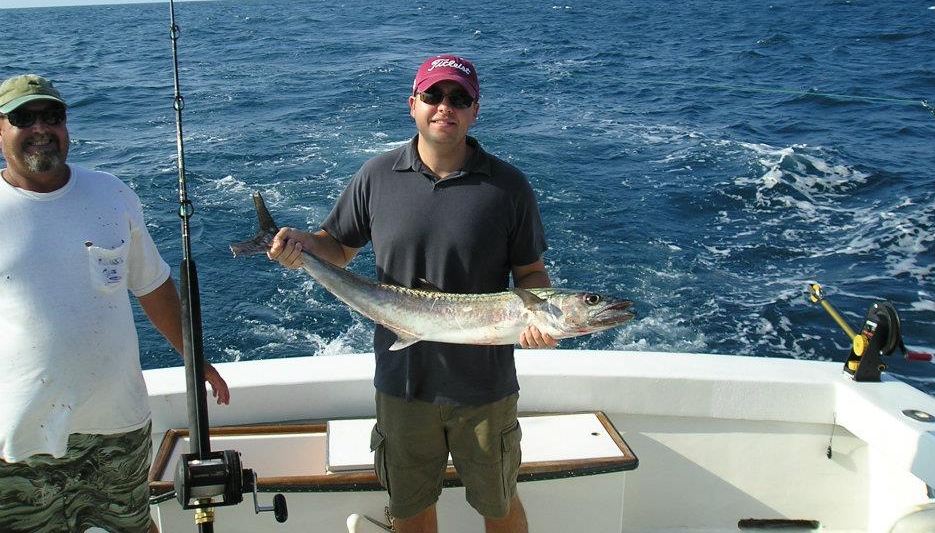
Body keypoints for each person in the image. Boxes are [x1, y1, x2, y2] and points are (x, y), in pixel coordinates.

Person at [269, 55, 557, 533]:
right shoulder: (377, 176)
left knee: (499, 505)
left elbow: (530, 273)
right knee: (410, 508)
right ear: (414, 105)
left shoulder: (508, 187)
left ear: (475, 111)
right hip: (403, 384)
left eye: (460, 99)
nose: (446, 106)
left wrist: (540, 324)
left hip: (485, 389)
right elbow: (336, 248)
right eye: (434, 96)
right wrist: (301, 245)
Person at [0, 73, 231, 533]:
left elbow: (152, 285)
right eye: (24, 118)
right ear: (0, 129)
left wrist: (194, 357)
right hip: (20, 435)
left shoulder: (111, 192)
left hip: (117, 426)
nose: (41, 128)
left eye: (53, 116)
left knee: (133, 525)